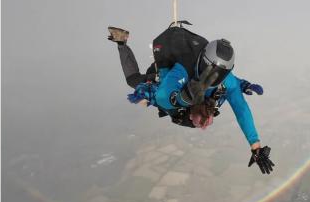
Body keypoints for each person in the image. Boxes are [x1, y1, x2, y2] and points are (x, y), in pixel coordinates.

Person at [108, 25, 274, 174]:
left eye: (220, 73)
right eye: (211, 70)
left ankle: (123, 46)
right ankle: (122, 43)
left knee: (223, 88)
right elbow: (162, 95)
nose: (214, 76)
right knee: (134, 81)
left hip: (188, 98)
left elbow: (241, 109)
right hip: (171, 74)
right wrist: (181, 98)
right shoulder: (184, 69)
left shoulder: (226, 81)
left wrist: (256, 147)